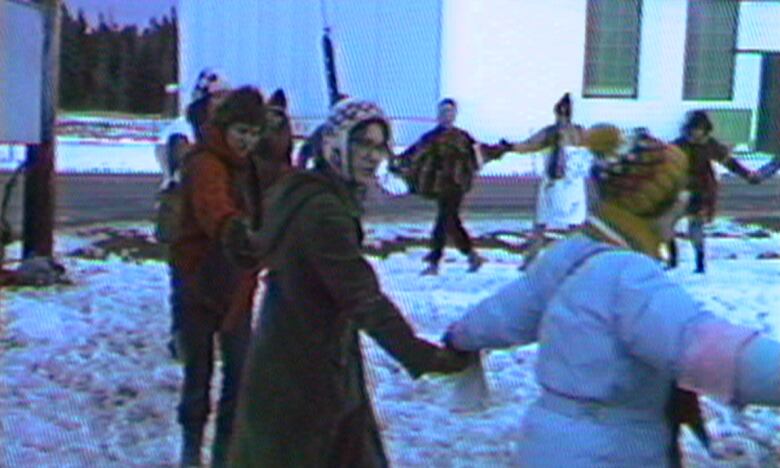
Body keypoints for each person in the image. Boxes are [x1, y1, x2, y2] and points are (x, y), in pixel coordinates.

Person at [442, 123, 780, 467]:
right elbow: (708, 351)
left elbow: (506, 312)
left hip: (547, 445)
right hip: (610, 451)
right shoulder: (629, 280)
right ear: (659, 205)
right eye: (679, 195)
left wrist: (459, 336)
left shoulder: (570, 254)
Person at [228, 98, 476, 467]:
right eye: (362, 143)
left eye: (379, 146)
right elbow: (363, 297)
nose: (372, 156)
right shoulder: (322, 211)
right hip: (305, 377)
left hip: (300, 363)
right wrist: (422, 355)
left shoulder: (306, 194)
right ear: (335, 144)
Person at [169, 86, 267, 468]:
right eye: (241, 130)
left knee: (239, 374)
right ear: (225, 126)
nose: (247, 140)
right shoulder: (205, 162)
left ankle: (226, 454)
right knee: (199, 374)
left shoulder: (251, 167)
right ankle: (192, 452)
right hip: (198, 281)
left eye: (254, 133)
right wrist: (235, 231)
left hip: (236, 284)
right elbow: (213, 208)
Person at [398, 98, 487, 275]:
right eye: (443, 112)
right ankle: (471, 255)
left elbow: (477, 158)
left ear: (454, 115)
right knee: (451, 221)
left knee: (444, 221)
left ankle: (435, 262)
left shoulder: (463, 137)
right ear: (438, 115)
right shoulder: (431, 137)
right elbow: (413, 153)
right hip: (440, 186)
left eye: (450, 112)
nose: (446, 115)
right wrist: (398, 163)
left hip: (456, 186)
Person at [668, 110, 762, 273]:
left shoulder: (710, 145)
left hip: (701, 190)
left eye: (700, 129)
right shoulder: (679, 145)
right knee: (667, 224)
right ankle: (672, 260)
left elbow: (730, 163)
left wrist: (747, 175)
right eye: (694, 129)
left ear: (706, 130)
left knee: (695, 227)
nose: (697, 133)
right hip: (679, 190)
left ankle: (700, 263)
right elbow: (664, 162)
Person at [505, 93, 589, 270]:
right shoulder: (580, 133)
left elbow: (528, 145)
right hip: (572, 185)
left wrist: (510, 147)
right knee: (572, 227)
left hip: (557, 185)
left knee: (542, 225)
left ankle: (531, 260)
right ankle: (573, 261)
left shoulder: (554, 132)